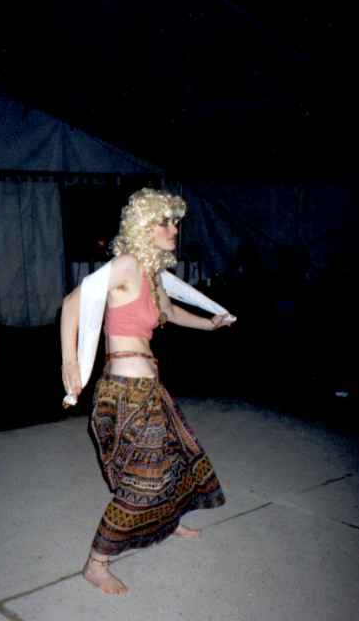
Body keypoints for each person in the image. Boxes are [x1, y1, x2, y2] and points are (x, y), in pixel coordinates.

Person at [60, 188, 236, 595]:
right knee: (143, 480)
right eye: (164, 222)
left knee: (176, 458)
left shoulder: (153, 274)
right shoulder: (125, 265)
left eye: (175, 222)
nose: (174, 229)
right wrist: (69, 362)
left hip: (150, 388)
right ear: (143, 226)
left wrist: (210, 323)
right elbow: (72, 303)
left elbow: (170, 312)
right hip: (123, 393)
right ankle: (96, 564)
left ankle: (167, 523)